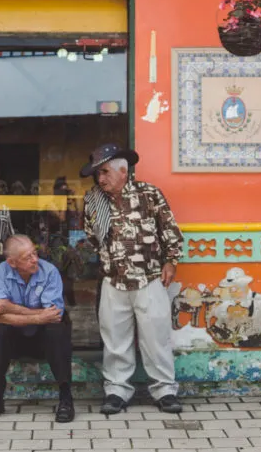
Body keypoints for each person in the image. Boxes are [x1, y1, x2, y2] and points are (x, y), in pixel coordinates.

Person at [81, 143, 184, 415]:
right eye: (97, 174)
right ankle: (116, 391)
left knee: (156, 337)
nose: (100, 179)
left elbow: (170, 230)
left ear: (122, 171)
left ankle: (164, 390)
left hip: (149, 278)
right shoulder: (93, 199)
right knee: (115, 339)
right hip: (113, 280)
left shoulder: (149, 194)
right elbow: (91, 236)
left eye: (104, 172)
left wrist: (171, 261)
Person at [0, 235, 75, 423]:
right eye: (27, 257)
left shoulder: (49, 272)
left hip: (44, 340)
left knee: (56, 330)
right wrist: (39, 316)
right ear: (12, 262)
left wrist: (10, 308)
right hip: (16, 338)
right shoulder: (1, 271)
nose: (35, 260)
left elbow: (53, 315)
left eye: (35, 253)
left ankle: (66, 398)